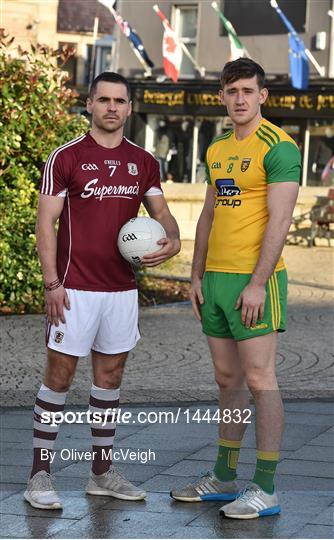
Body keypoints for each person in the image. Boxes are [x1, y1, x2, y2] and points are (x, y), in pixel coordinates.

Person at [24, 72, 180, 510]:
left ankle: (101, 474)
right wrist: (52, 283)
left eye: (120, 101)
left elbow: (163, 213)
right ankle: (39, 474)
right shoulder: (66, 158)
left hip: (121, 290)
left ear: (130, 108)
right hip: (73, 289)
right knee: (59, 378)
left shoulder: (143, 161)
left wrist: (175, 238)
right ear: (89, 104)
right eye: (104, 100)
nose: (112, 107)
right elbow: (45, 224)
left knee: (109, 380)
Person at [170, 58, 300, 519]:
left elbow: (281, 220)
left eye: (248, 90)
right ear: (222, 97)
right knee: (227, 380)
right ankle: (224, 478)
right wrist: (196, 274)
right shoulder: (218, 146)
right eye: (232, 91)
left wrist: (259, 283)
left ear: (262, 95)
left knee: (262, 380)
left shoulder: (279, 147)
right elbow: (208, 214)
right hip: (216, 280)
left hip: (254, 281)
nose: (240, 99)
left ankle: (265, 487)